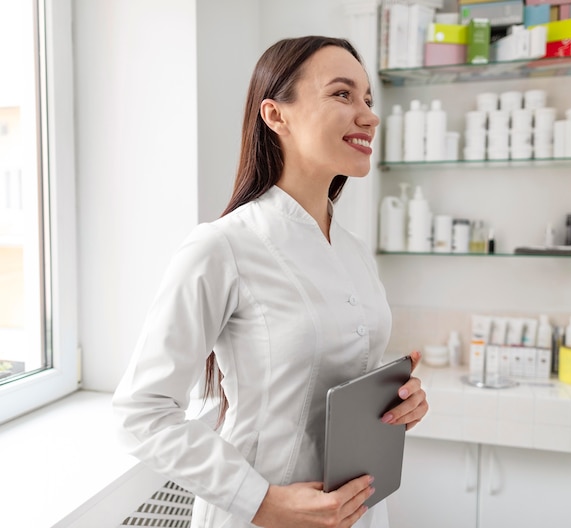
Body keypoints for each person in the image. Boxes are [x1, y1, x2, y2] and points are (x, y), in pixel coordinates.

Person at [112, 35, 428, 528]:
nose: (369, 114)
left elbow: (336, 382)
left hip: (359, 509)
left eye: (367, 98)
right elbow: (141, 413)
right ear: (275, 115)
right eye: (343, 94)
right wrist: (261, 501)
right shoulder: (222, 247)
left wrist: (396, 406)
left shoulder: (355, 253)